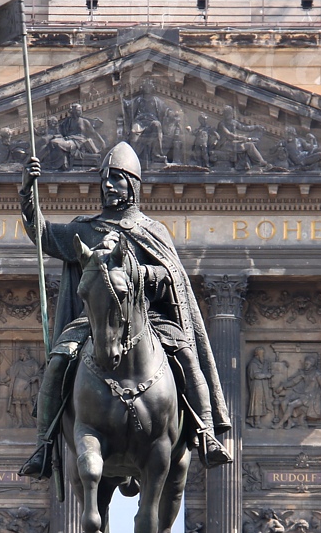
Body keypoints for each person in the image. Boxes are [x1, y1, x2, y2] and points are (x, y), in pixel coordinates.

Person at [17, 141, 232, 478]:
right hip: (95, 321)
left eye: (116, 179)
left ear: (132, 185)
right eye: (104, 179)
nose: (108, 185)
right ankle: (44, 446)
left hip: (149, 320)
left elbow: (172, 277)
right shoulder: (87, 229)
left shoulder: (152, 231)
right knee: (59, 359)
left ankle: (206, 432)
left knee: (187, 356)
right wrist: (29, 194)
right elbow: (44, 235)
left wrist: (142, 274)